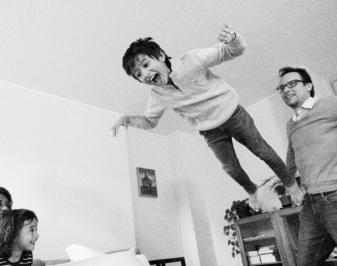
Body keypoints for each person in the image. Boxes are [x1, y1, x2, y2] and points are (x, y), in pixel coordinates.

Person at [110, 24, 303, 210]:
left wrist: (233, 39)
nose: (144, 74)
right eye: (138, 74)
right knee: (231, 169)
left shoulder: (192, 60)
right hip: (210, 131)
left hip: (234, 115)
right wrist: (128, 119)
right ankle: (252, 190)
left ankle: (291, 184)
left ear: (160, 56)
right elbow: (149, 121)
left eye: (146, 64)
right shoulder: (158, 96)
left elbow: (233, 51)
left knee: (263, 151)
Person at [278, 66, 337, 266]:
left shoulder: (329, 105)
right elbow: (292, 154)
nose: (286, 90)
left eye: (292, 84)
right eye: (282, 87)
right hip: (311, 204)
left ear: (309, 86)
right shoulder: (290, 124)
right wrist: (288, 184)